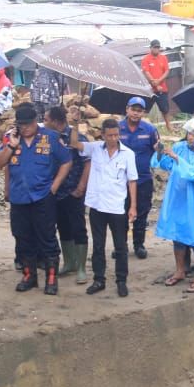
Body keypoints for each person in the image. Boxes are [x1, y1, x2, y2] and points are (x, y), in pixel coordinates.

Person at [0, 103, 72, 295]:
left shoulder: (50, 138)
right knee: (22, 237)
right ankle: (29, 276)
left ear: (36, 122)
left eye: (28, 124)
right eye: (21, 124)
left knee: (47, 238)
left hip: (43, 197)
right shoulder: (12, 139)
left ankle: (51, 279)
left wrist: (54, 187)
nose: (25, 128)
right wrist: (11, 146)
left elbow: (67, 161)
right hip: (19, 199)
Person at [69, 116, 138, 297]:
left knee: (120, 246)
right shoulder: (95, 149)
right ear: (103, 135)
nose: (113, 139)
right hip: (97, 206)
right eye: (109, 135)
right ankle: (99, 279)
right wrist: (75, 123)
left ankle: (121, 281)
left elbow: (132, 181)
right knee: (98, 246)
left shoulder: (128, 154)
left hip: (117, 207)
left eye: (116, 135)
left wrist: (133, 207)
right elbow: (74, 143)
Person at [155, 117, 194, 293]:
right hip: (178, 200)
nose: (190, 137)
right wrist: (160, 153)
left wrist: (176, 158)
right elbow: (166, 164)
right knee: (178, 237)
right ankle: (180, 271)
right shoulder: (180, 147)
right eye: (189, 133)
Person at [43, 106, 90, 285]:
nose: (44, 123)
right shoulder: (48, 138)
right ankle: (69, 263)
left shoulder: (76, 137)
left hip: (74, 191)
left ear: (55, 121)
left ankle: (81, 268)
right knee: (63, 228)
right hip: (56, 192)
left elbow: (87, 163)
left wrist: (81, 187)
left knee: (78, 228)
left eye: (46, 120)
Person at [118, 97, 161, 259]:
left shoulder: (150, 130)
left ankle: (139, 245)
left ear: (143, 112)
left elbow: (158, 150)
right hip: (120, 180)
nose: (135, 113)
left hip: (143, 179)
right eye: (133, 109)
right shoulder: (118, 128)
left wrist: (161, 149)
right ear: (127, 109)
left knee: (141, 213)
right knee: (120, 213)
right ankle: (120, 246)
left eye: (139, 110)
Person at [140, 39, 174, 134]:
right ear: (151, 48)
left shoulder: (163, 58)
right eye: (155, 47)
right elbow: (146, 72)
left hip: (162, 88)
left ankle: (168, 125)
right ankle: (141, 126)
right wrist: (154, 82)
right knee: (144, 109)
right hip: (149, 89)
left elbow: (167, 71)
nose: (156, 49)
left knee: (165, 109)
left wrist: (159, 81)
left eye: (158, 47)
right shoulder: (146, 59)